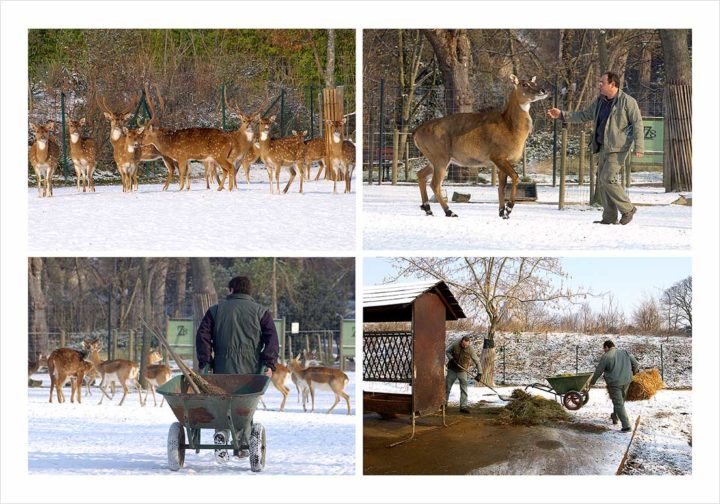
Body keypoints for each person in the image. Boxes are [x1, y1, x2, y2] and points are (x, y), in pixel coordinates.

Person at [196, 275, 279, 462]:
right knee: (245, 407)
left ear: (231, 290)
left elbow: (203, 337)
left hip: (222, 367)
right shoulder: (261, 312)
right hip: (251, 371)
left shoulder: (215, 311)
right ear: (249, 291)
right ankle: (243, 446)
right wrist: (269, 363)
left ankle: (222, 434)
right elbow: (272, 340)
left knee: (222, 402)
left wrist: (205, 361)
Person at [547, 71, 644, 225]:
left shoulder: (628, 102)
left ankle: (628, 209)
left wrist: (639, 146)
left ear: (612, 84)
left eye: (602, 82)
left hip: (618, 148)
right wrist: (562, 115)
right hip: (602, 146)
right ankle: (609, 218)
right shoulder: (600, 101)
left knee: (607, 178)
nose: (599, 85)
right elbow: (584, 115)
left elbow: (638, 124)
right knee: (603, 180)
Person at [589, 340, 639, 432]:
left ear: (607, 347)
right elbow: (636, 364)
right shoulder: (625, 352)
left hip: (615, 383)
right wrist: (633, 373)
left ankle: (626, 426)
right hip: (627, 381)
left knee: (618, 403)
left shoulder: (606, 356)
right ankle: (615, 416)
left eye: (604, 348)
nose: (604, 350)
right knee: (620, 401)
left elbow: (599, 371)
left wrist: (592, 382)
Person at [445, 336, 483, 414]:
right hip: (452, 370)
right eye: (464, 345)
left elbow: (477, 361)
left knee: (464, 389)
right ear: (461, 342)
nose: (465, 346)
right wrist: (451, 359)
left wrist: (479, 373)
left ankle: (463, 406)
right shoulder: (455, 345)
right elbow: (447, 351)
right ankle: (444, 404)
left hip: (462, 371)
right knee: (447, 388)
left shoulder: (470, 349)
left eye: (467, 345)